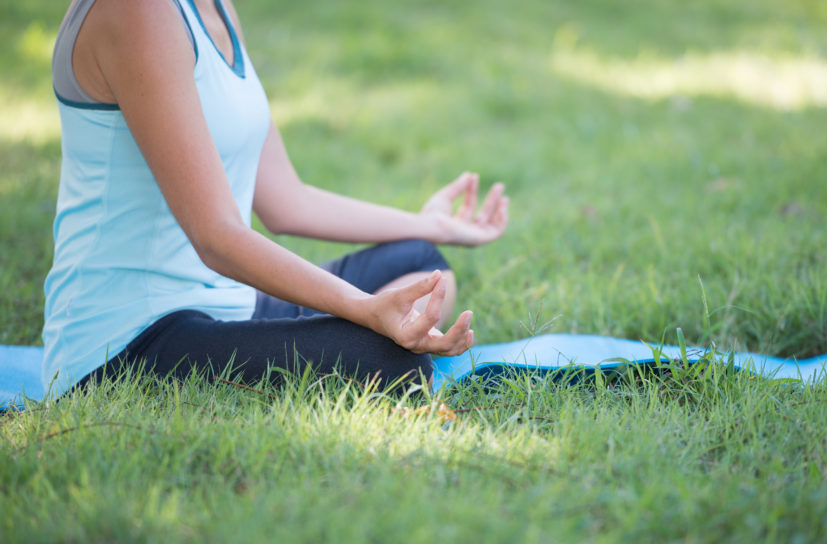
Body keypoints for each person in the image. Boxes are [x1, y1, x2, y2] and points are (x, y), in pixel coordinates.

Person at [42, 0, 509, 397]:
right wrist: (367, 313)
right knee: (388, 361)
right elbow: (216, 238)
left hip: (227, 301)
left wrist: (431, 224)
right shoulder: (136, 12)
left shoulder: (215, 7)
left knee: (423, 263)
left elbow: (287, 201)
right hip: (126, 340)